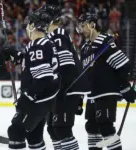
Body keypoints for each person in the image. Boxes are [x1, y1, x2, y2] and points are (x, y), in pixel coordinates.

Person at [0, 9, 60, 150]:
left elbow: (43, 78)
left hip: (38, 99)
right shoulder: (40, 44)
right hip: (44, 99)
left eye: (28, 24)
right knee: (34, 137)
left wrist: (27, 97)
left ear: (32, 26)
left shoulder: (39, 45)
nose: (26, 28)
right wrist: (14, 54)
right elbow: (29, 61)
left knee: (15, 131)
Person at [77, 12, 136, 150]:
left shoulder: (105, 42)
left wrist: (125, 88)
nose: (81, 29)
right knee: (91, 127)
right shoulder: (85, 48)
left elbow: (124, 66)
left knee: (105, 126)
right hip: (92, 94)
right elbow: (83, 75)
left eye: (83, 25)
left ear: (92, 25)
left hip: (106, 92)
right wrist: (80, 98)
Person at [39, 5, 90, 150]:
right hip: (63, 88)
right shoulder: (53, 36)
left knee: (62, 130)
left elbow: (66, 65)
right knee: (52, 129)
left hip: (66, 89)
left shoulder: (58, 34)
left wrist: (60, 89)